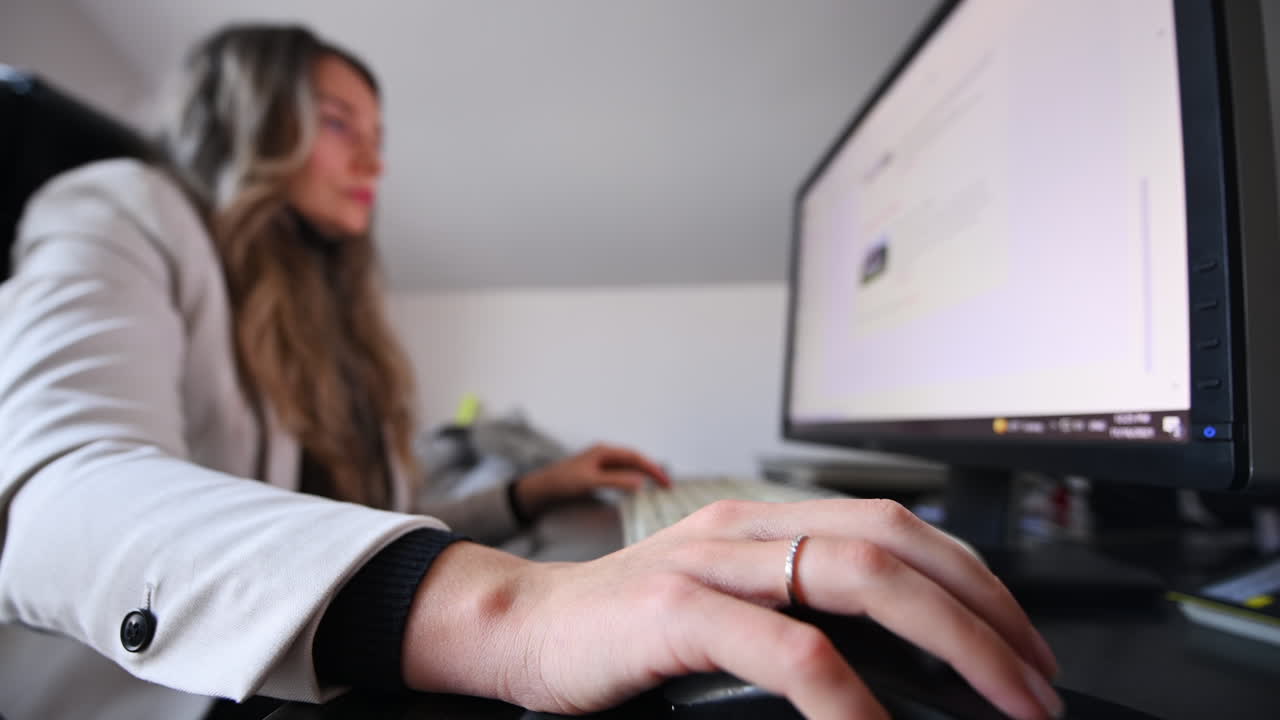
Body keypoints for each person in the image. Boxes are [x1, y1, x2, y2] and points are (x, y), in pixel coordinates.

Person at [0, 24, 1063, 720]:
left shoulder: (322, 307)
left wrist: (527, 495)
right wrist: (510, 610)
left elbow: (346, 517)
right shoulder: (120, 210)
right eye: (337, 124)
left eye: (379, 134)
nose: (372, 158)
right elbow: (50, 499)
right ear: (246, 117)